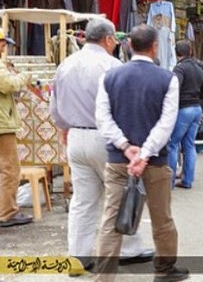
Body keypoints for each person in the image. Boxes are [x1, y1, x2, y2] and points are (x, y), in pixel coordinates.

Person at [50, 19, 154, 272]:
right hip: (107, 138)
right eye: (114, 40)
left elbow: (55, 106)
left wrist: (65, 127)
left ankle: (78, 257)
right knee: (119, 193)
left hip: (75, 136)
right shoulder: (112, 66)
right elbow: (124, 108)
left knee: (83, 201)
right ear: (108, 39)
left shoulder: (66, 64)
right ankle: (129, 249)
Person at [94, 24, 188, 282]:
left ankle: (103, 278)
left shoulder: (110, 77)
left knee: (110, 221)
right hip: (155, 163)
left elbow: (103, 118)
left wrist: (126, 147)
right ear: (155, 46)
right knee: (162, 219)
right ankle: (165, 270)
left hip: (117, 161)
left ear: (129, 45)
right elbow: (166, 124)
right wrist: (145, 154)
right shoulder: (167, 79)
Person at [167, 40, 203, 189]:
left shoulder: (179, 69)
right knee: (189, 145)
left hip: (183, 110)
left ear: (176, 53)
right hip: (196, 110)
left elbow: (174, 88)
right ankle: (187, 180)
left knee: (173, 145)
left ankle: (170, 182)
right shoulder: (198, 68)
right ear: (190, 52)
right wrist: (201, 107)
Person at [0, 30, 33, 228]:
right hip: (2, 123)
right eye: (3, 43)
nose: (4, 47)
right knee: (10, 168)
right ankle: (7, 212)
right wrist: (24, 76)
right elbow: (8, 84)